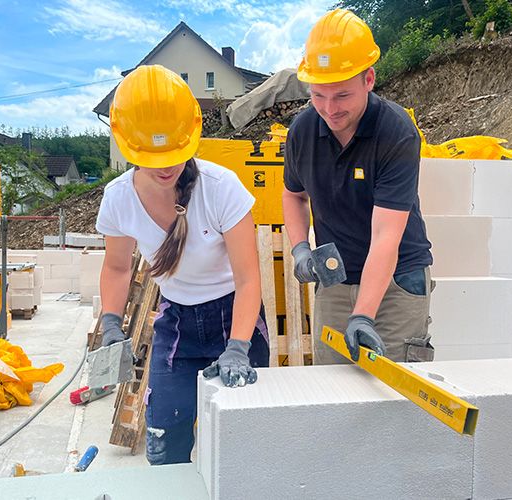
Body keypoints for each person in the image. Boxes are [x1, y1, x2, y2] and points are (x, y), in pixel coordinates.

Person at [96, 65, 270, 465]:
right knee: (164, 437)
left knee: (246, 442)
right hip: (176, 323)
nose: (164, 167)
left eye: (172, 153)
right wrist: (109, 321)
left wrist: (239, 347)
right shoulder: (119, 199)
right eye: (151, 157)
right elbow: (118, 268)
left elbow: (247, 278)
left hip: (234, 317)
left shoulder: (222, 188)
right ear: (126, 144)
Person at [282, 9, 435, 365]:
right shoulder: (302, 131)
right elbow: (293, 194)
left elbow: (386, 236)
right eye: (318, 96)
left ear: (369, 79)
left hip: (398, 280)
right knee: (332, 390)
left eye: (342, 96)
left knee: (391, 393)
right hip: (336, 278)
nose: (329, 110)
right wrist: (300, 248)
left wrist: (364, 315)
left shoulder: (395, 132)